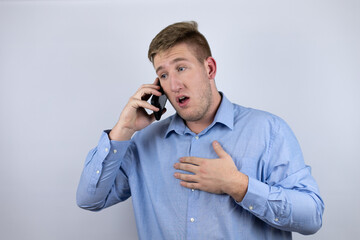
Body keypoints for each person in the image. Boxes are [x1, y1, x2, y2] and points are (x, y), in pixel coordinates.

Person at [76, 21, 324, 239]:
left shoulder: (269, 131)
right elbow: (89, 200)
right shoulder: (143, 142)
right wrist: (124, 129)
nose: (173, 85)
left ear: (210, 69)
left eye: (181, 68)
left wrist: (239, 186)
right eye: (163, 75)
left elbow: (312, 216)